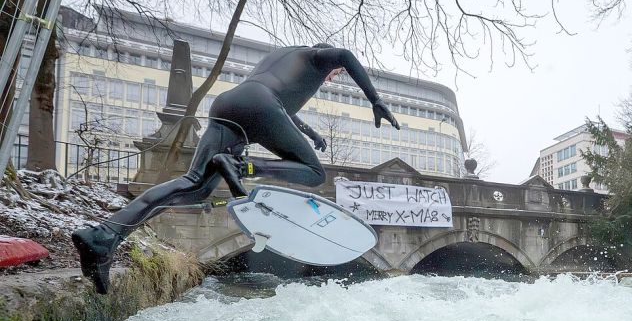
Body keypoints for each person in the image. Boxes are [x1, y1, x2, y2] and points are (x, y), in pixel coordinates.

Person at [72, 44, 399, 294]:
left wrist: (310, 133)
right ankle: (244, 165)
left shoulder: (282, 58)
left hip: (229, 105)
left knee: (194, 186)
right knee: (314, 173)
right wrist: (375, 99)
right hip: (260, 108)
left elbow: (277, 103)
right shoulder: (318, 57)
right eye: (336, 73)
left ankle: (104, 236)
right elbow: (345, 55)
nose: (334, 76)